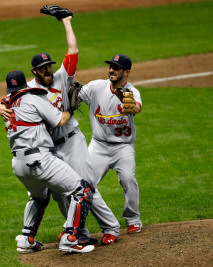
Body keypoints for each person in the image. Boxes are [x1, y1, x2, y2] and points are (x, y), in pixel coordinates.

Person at [0, 15, 120, 245]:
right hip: (49, 148)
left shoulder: (63, 77)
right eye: (43, 68)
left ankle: (110, 227)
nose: (48, 70)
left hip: (71, 140)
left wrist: (67, 21)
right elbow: (7, 99)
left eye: (49, 66)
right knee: (61, 191)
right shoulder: (29, 89)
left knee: (86, 185)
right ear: (34, 71)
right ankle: (78, 232)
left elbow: (73, 50)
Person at [1, 70, 95, 254]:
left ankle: (26, 240)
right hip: (39, 160)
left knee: (39, 197)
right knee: (82, 190)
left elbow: (4, 101)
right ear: (25, 86)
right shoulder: (33, 99)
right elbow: (60, 120)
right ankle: (70, 238)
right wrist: (70, 109)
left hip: (18, 164)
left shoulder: (8, 105)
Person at [78, 54, 143, 234]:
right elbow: (73, 95)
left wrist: (130, 105)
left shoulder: (132, 92)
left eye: (117, 68)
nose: (111, 70)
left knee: (128, 179)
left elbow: (137, 107)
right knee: (85, 185)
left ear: (127, 72)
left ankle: (133, 219)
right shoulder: (96, 87)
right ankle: (76, 226)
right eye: (111, 66)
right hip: (99, 146)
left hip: (123, 147)